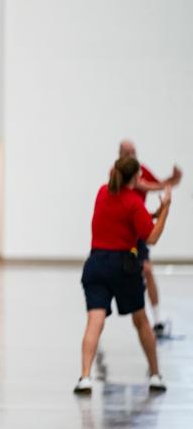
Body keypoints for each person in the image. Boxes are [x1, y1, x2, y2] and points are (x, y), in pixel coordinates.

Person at [75, 156, 172, 394]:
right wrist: (166, 210)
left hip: (96, 264)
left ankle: (85, 377)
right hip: (123, 267)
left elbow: (126, 217)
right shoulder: (133, 202)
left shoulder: (102, 193)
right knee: (141, 321)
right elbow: (151, 238)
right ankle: (156, 375)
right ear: (136, 178)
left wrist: (152, 214)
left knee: (94, 322)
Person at [118, 140, 182, 337]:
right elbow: (145, 185)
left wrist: (170, 180)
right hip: (120, 234)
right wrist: (166, 184)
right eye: (127, 152)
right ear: (120, 153)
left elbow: (153, 184)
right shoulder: (117, 172)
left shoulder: (141, 170)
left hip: (137, 231)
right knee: (118, 276)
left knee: (146, 269)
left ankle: (157, 319)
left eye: (133, 151)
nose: (131, 155)